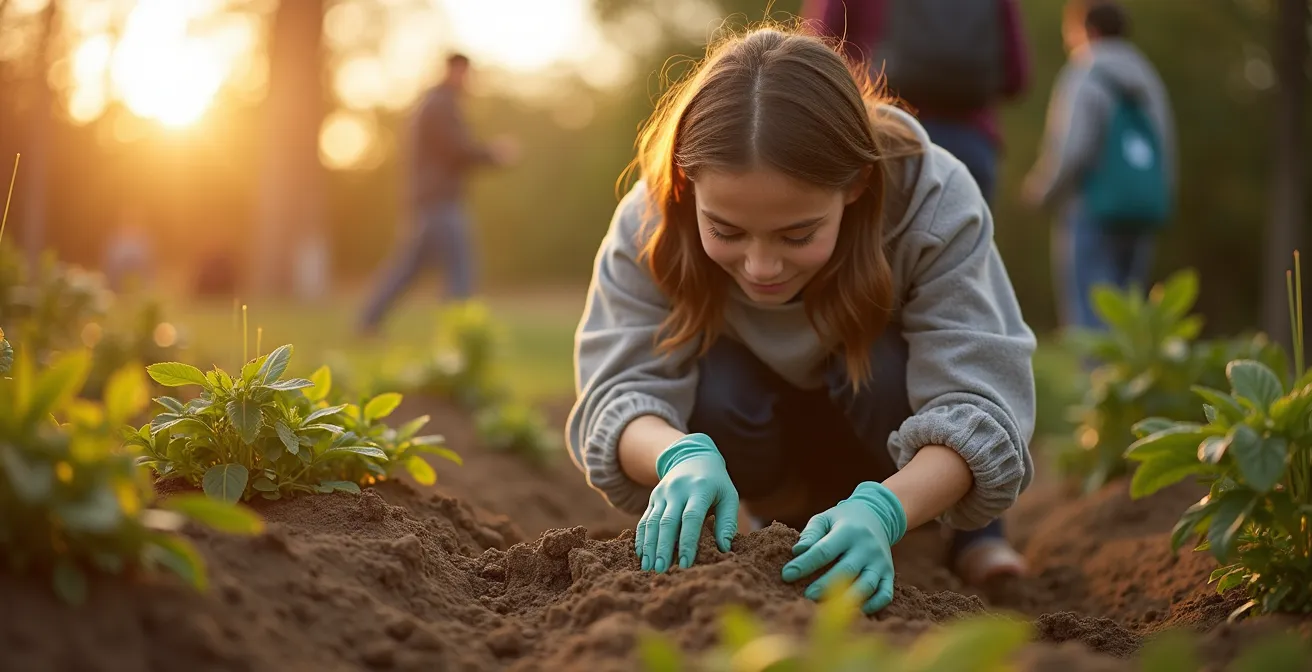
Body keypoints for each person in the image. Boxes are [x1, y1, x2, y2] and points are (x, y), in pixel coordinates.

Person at [565, 24, 1037, 614]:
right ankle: (771, 522)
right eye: (727, 231)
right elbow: (619, 392)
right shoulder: (649, 221)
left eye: (798, 233)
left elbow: (984, 404)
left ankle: (959, 533)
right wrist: (676, 455)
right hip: (756, 438)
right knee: (718, 387)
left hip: (885, 435)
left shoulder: (932, 196)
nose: (761, 267)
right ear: (688, 187)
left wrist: (884, 509)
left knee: (882, 366)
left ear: (856, 187)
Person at [1022, 0, 1176, 331]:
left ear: (1086, 30)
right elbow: (1165, 145)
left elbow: (1073, 147)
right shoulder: (1149, 77)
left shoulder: (1085, 71)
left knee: (1090, 314)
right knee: (1129, 315)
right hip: (1142, 209)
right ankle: (1128, 380)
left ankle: (1096, 381)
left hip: (1090, 207)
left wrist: (1042, 191)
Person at [801, 0, 1032, 204]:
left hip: (885, 141)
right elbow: (1016, 77)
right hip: (970, 146)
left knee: (880, 252)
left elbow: (816, 60)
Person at [358, 53, 518, 335]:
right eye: (466, 73)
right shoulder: (441, 105)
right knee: (461, 269)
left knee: (407, 270)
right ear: (454, 71)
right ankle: (459, 335)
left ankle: (368, 322)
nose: (469, 81)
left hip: (425, 202)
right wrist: (493, 154)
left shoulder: (432, 103)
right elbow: (455, 150)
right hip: (439, 203)